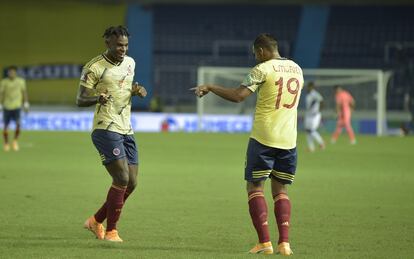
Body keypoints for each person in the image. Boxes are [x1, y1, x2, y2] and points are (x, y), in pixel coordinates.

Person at [192, 33, 303, 256]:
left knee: (254, 187)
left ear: (261, 51)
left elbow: (238, 96)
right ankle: (285, 244)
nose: (256, 58)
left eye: (255, 54)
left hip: (263, 138)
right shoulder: (297, 69)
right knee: (280, 190)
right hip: (289, 140)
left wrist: (211, 87)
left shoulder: (262, 69)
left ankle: (265, 243)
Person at [76, 25, 147, 242]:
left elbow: (123, 90)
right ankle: (111, 231)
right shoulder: (94, 67)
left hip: (126, 128)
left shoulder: (130, 63)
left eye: (125, 45)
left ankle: (96, 221)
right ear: (107, 42)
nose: (122, 49)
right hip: (105, 127)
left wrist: (137, 92)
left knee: (132, 182)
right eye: (118, 45)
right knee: (122, 177)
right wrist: (98, 98)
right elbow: (80, 100)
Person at [0, 66, 29, 152]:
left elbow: (24, 92)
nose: (11, 73)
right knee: (5, 126)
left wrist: (26, 103)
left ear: (15, 73)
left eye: (13, 72)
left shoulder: (21, 81)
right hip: (7, 106)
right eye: (10, 72)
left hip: (17, 106)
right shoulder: (4, 82)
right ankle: (6, 143)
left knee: (18, 124)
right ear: (8, 73)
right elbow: (1, 93)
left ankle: (15, 141)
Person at [304, 82, 325, 152]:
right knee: (307, 131)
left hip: (315, 115)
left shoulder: (315, 94)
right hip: (308, 114)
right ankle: (311, 148)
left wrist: (319, 110)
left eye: (309, 87)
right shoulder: (308, 95)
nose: (308, 88)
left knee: (311, 130)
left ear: (312, 87)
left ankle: (321, 143)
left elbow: (321, 101)